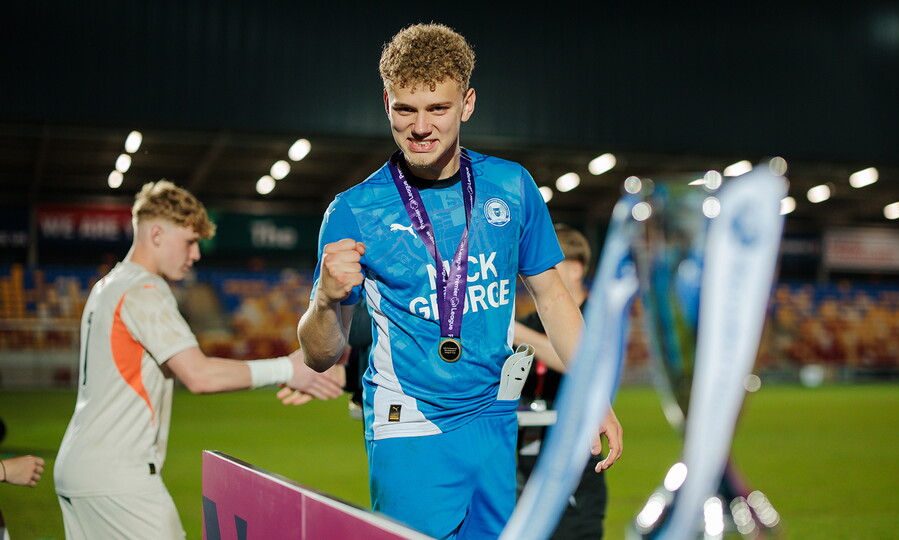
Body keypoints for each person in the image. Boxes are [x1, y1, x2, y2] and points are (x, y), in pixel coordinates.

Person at [297, 23, 622, 539]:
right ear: (387, 103)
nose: (420, 127)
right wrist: (323, 299)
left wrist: (592, 394)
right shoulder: (354, 211)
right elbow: (319, 353)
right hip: (409, 426)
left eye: (437, 108)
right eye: (405, 109)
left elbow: (555, 297)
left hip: (495, 418)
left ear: (467, 104)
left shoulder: (512, 186)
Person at [53, 180, 344, 540]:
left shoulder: (107, 285)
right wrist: (287, 368)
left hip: (80, 467)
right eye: (190, 242)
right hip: (117, 476)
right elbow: (199, 375)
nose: (196, 255)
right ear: (156, 233)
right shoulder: (144, 288)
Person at [514, 224, 607, 539]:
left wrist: (511, 331)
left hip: (575, 451)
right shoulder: (529, 321)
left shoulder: (599, 317)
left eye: (551, 264)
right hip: (524, 451)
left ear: (576, 268)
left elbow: (575, 363)